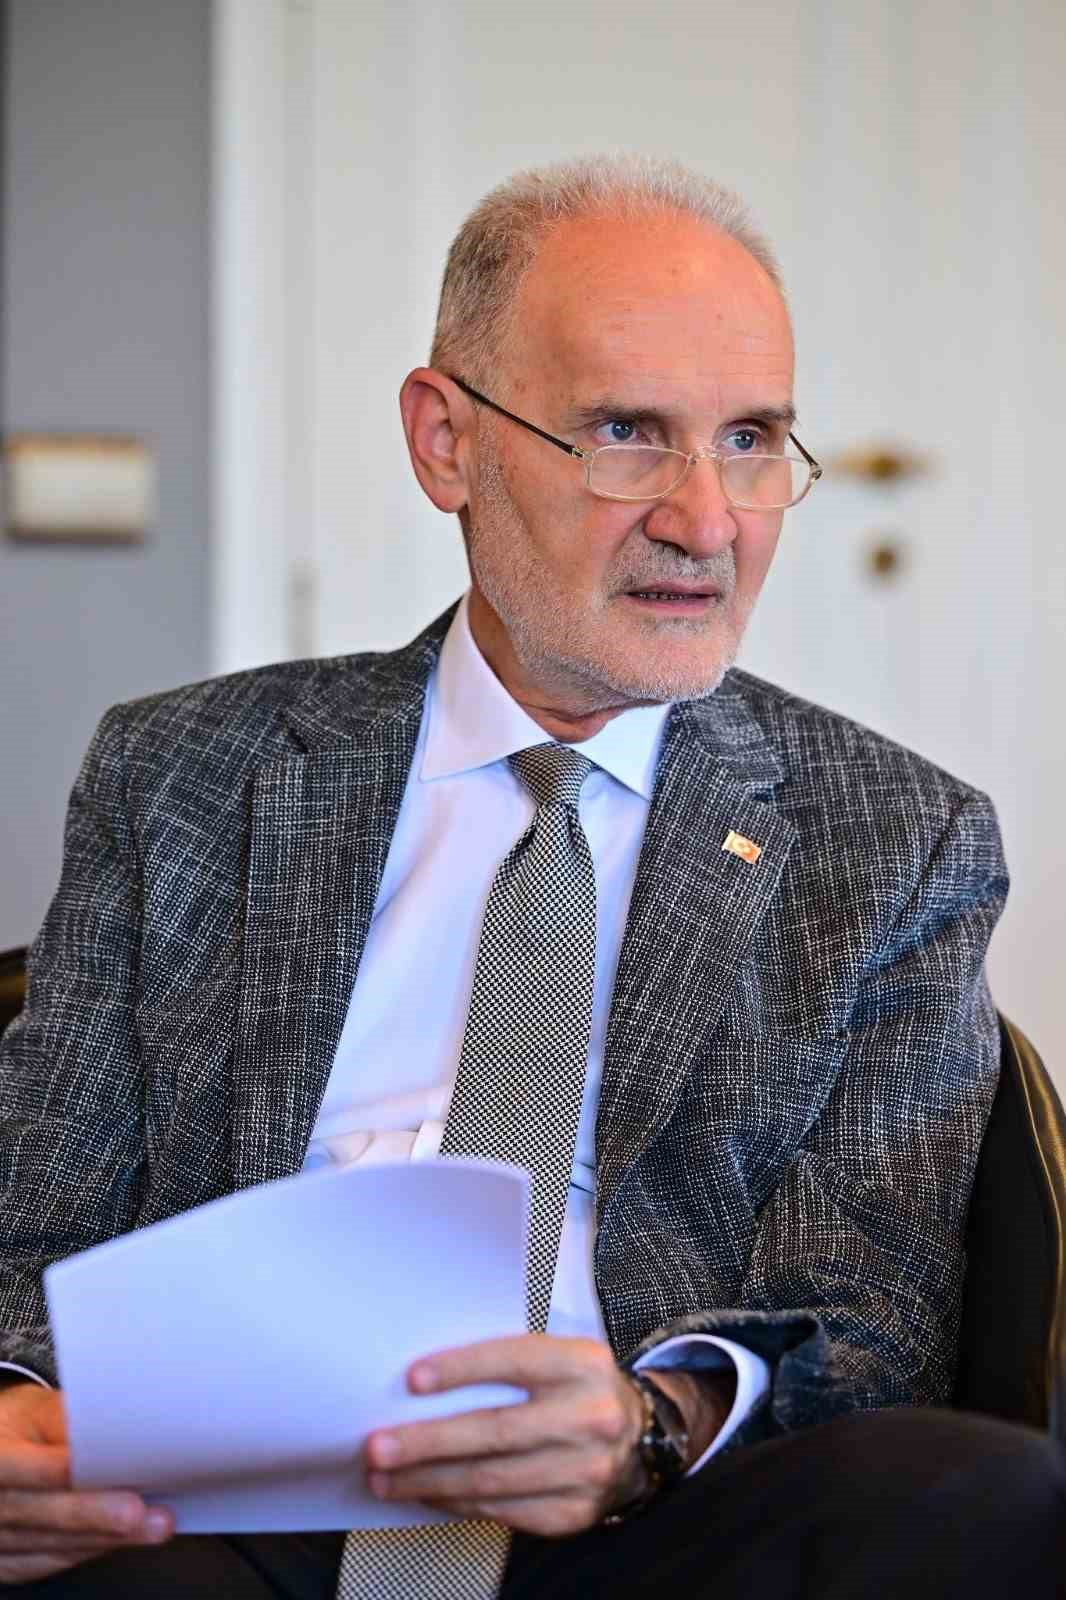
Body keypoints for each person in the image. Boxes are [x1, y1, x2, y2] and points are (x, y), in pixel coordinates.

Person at [0, 156, 1061, 1599]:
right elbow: (39, 1221)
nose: (706, 521)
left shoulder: (894, 836)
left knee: (983, 1496)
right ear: (447, 442)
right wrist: (17, 1411)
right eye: (626, 434)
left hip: (639, 1514)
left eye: (751, 440)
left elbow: (870, 1317)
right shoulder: (187, 773)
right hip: (220, 1505)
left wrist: (648, 1422)